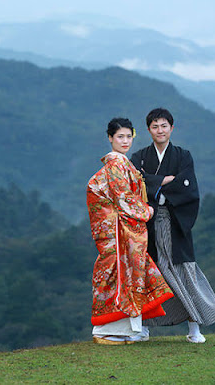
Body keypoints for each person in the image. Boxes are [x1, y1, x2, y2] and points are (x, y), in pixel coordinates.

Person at [130, 108, 215, 344]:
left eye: (164, 126)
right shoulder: (140, 156)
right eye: (155, 126)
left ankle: (195, 329)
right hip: (148, 223)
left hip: (174, 221)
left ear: (172, 128)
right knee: (150, 274)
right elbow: (134, 181)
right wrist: (163, 180)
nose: (160, 130)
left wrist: (151, 183)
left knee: (184, 272)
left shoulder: (183, 155)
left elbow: (187, 187)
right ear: (149, 130)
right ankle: (143, 328)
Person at [87, 117, 174, 345]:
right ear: (110, 138)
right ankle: (105, 330)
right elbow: (124, 200)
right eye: (120, 137)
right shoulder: (116, 165)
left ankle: (120, 330)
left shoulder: (123, 164)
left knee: (123, 273)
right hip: (117, 230)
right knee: (117, 273)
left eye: (128, 136)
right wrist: (147, 211)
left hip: (122, 229)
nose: (125, 141)